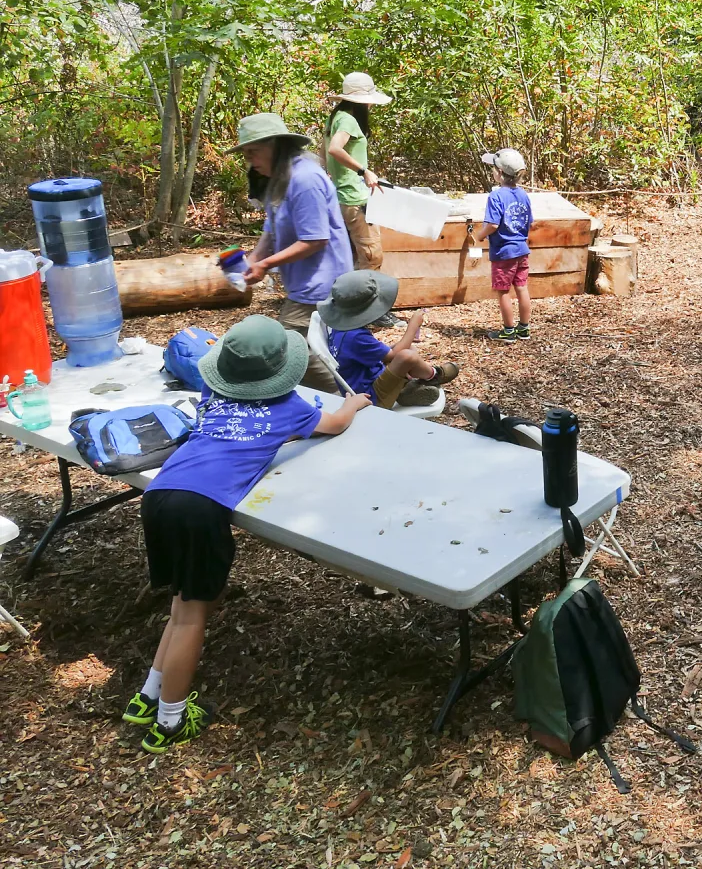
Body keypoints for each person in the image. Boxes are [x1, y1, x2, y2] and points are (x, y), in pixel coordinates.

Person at [123, 315, 370, 752]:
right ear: (283, 372)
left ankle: (147, 697)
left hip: (161, 493)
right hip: (200, 508)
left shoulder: (211, 393)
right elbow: (334, 424)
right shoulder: (290, 408)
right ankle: (172, 720)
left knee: (182, 605)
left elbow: (235, 434)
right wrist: (355, 404)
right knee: (194, 614)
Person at [234, 112, 352, 393]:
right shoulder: (279, 179)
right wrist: (252, 260)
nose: (250, 161)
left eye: (254, 152)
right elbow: (272, 230)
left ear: (277, 146)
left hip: (324, 285)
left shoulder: (305, 179)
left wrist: (265, 265)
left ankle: (344, 399)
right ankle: (346, 397)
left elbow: (315, 240)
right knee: (320, 350)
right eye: (246, 154)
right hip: (304, 285)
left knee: (289, 348)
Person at [318, 269, 460, 408]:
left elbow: (381, 355)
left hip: (366, 382)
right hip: (370, 398)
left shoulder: (340, 327)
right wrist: (413, 326)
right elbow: (392, 356)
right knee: (407, 356)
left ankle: (404, 391)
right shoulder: (355, 336)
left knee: (408, 350)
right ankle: (434, 376)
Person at [324, 73, 392, 285]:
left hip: (342, 196)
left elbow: (323, 151)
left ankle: (351, 305)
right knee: (371, 256)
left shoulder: (335, 117)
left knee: (352, 257)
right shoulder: (348, 120)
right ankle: (372, 308)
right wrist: (364, 171)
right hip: (355, 198)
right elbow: (335, 149)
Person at [473, 148, 535, 342]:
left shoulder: (496, 196)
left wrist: (480, 235)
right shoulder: (523, 195)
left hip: (503, 252)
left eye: (493, 168)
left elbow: (492, 224)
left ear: (499, 173)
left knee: (502, 292)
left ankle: (508, 331)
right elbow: (530, 222)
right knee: (522, 288)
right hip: (521, 250)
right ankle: (524, 329)